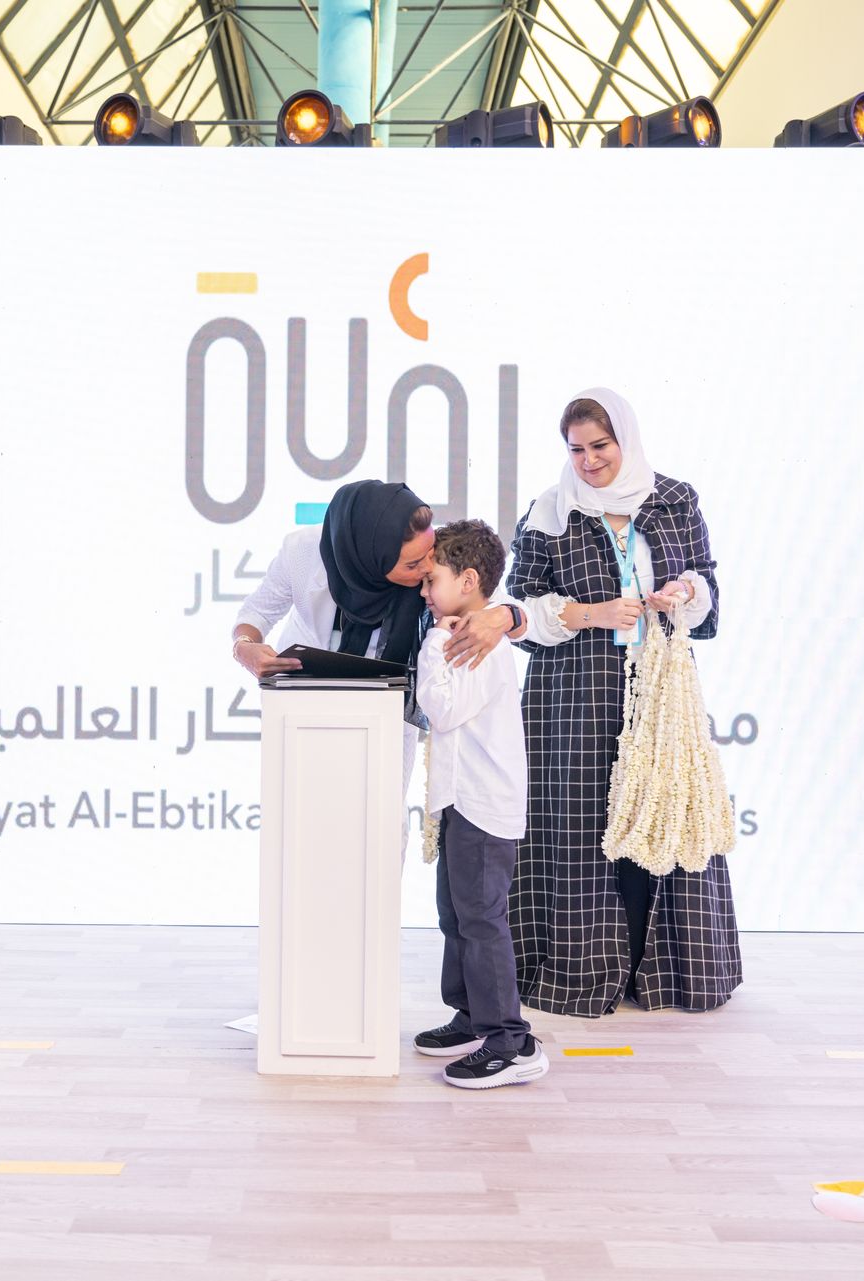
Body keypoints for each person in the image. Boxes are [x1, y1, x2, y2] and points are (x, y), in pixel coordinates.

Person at [506, 387, 742, 1017]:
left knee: (663, 814)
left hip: (659, 693)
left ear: (626, 441)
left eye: (600, 446)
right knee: (580, 831)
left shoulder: (674, 500)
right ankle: (581, 972)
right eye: (576, 449)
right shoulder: (549, 512)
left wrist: (685, 590)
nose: (588, 461)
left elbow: (709, 585)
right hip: (571, 695)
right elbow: (520, 608)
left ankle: (665, 973)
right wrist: (591, 613)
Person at [411, 519, 547, 1089]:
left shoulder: (470, 642)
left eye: (431, 579)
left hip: (483, 805)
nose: (423, 590)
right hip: (460, 799)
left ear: (468, 580)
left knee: (481, 920)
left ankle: (509, 1040)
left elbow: (441, 710)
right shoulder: (458, 634)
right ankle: (470, 1015)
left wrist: (432, 644)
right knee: (456, 915)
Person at [232, 479, 526, 683]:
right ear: (370, 561)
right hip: (304, 697)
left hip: (388, 707)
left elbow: (504, 608)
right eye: (412, 564)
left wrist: (505, 616)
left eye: (430, 553)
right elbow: (256, 613)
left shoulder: (423, 543)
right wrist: (243, 647)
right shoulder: (302, 552)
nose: (427, 568)